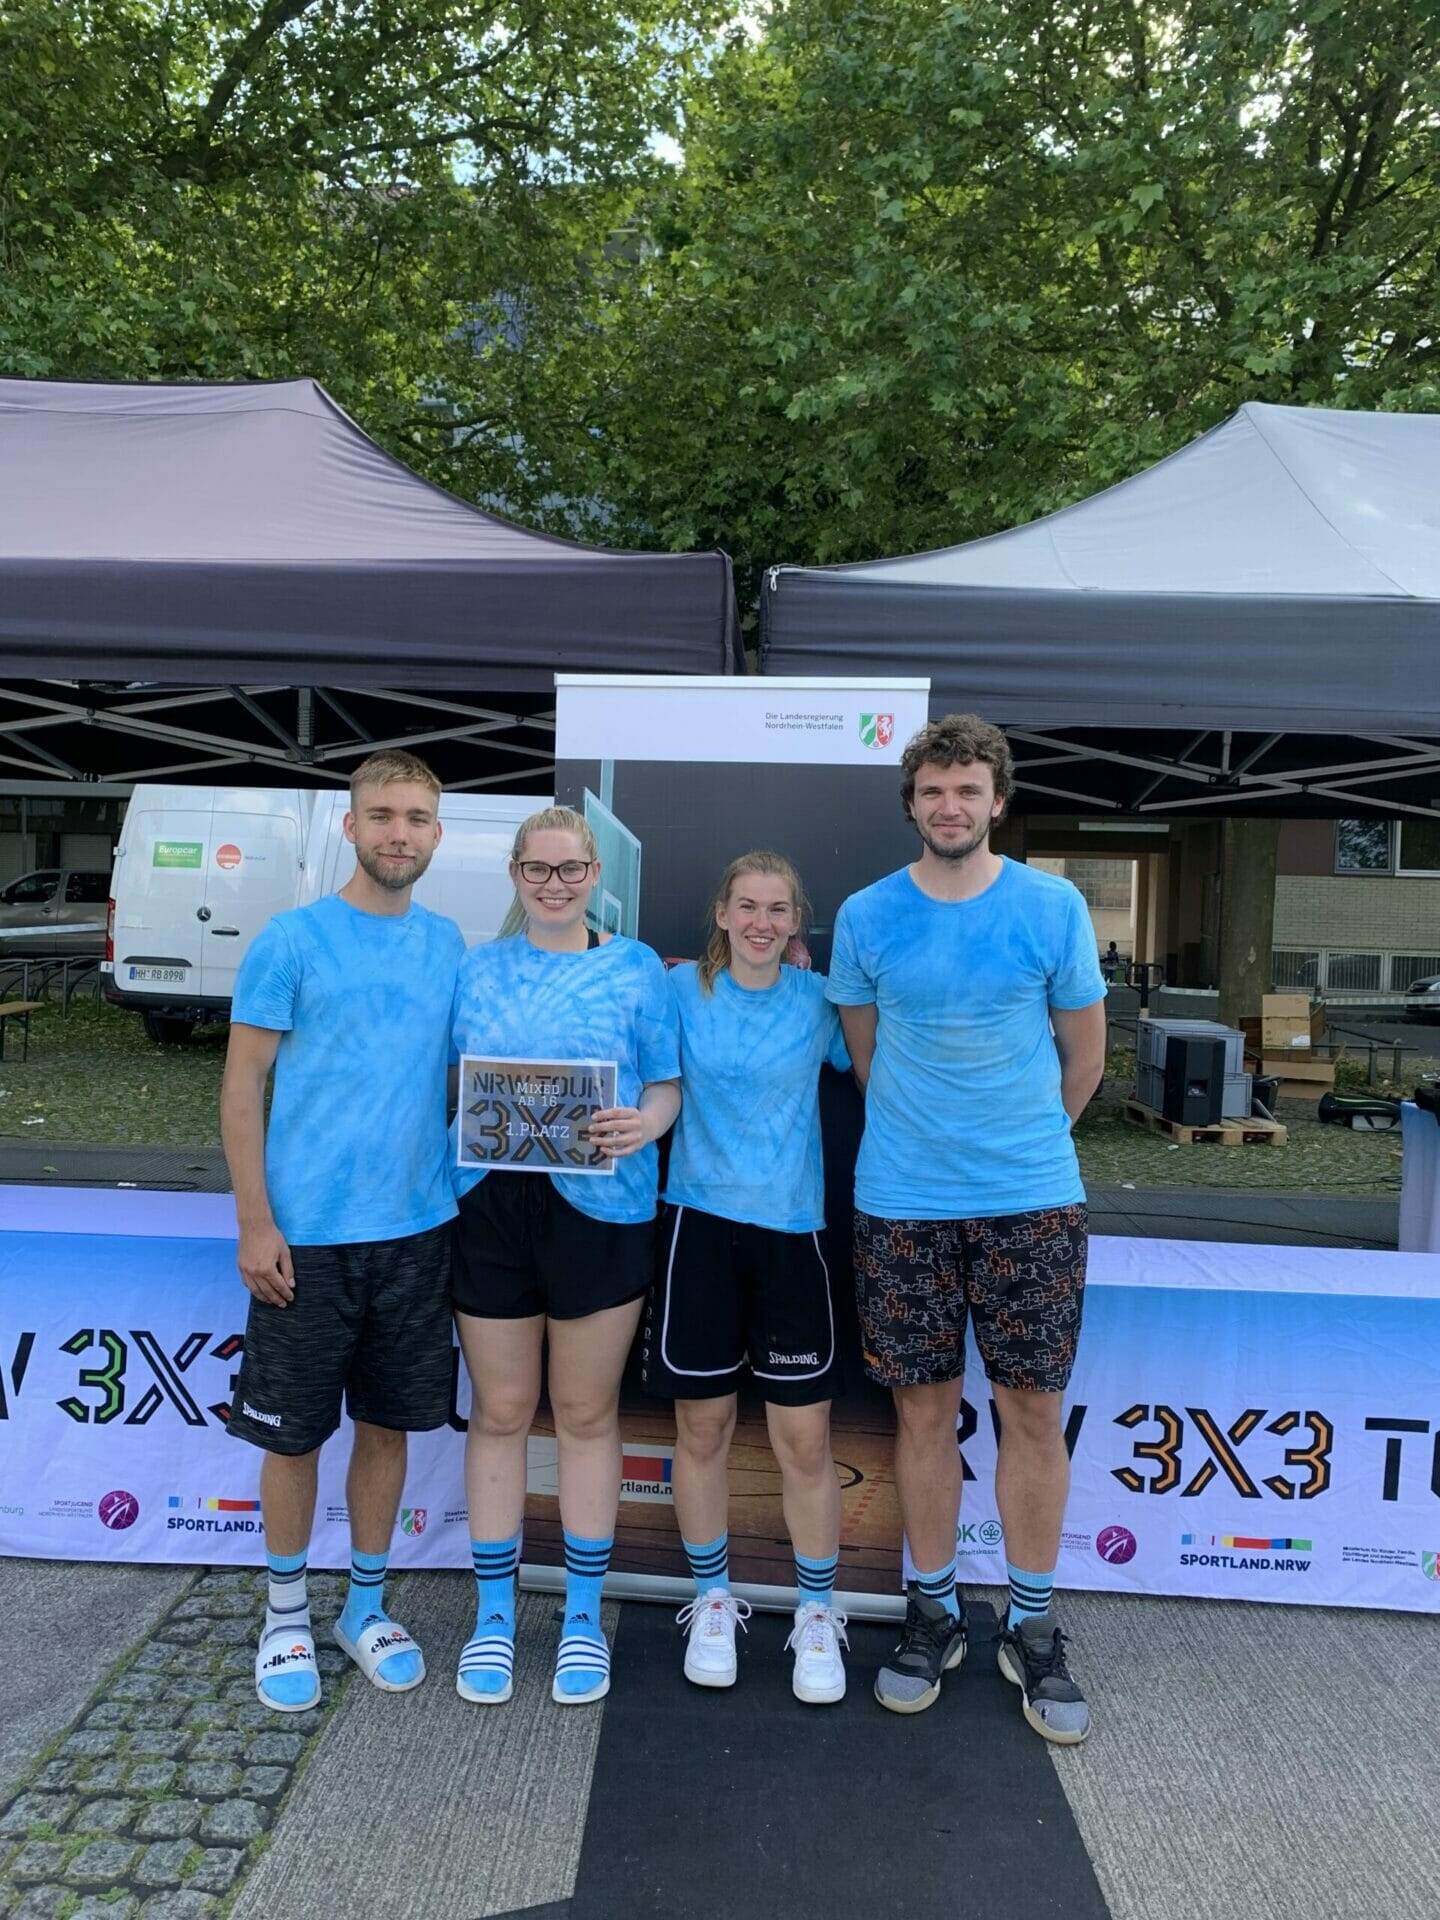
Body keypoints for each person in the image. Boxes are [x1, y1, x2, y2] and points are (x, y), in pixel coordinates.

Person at [826, 714, 1106, 1738]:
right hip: (902, 1205)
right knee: (922, 1416)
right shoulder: (867, 915)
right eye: (933, 790)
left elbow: (1086, 1057)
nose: (951, 806)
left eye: (968, 789)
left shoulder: (1052, 905)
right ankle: (934, 1612)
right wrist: (934, 1145)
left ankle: (1031, 1625)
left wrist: (1018, 1146)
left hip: (1031, 1202)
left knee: (1032, 1412)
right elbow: (866, 1058)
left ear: (998, 801)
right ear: (912, 803)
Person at [221, 750, 465, 1713]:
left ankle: (365, 1606)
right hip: (309, 1237)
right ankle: (285, 1614)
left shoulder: (449, 943)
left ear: (436, 834)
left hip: (418, 1230)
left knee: (386, 1427)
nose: (399, 833)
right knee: (292, 1437)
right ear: (351, 827)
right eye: (383, 816)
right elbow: (242, 1084)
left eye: (417, 818)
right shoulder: (291, 939)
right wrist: (255, 1221)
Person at [450, 805, 680, 1707]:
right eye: (538, 869)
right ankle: (494, 1616)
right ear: (515, 874)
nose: (555, 884)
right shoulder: (476, 969)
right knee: (502, 1410)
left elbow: (666, 1084)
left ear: (595, 875)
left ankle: (582, 1616)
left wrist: (645, 1124)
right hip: (490, 1207)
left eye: (570, 869)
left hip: (603, 1207)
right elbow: (445, 1082)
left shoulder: (636, 968)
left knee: (585, 1413)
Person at [643, 851, 852, 1704]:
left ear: (796, 923)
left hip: (793, 1237)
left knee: (804, 1442)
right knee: (703, 1432)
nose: (762, 923)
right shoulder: (676, 990)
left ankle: (816, 1613)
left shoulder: (821, 1001)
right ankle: (712, 1600)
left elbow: (892, 1060)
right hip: (697, 1228)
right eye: (748, 907)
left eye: (778, 910)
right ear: (722, 914)